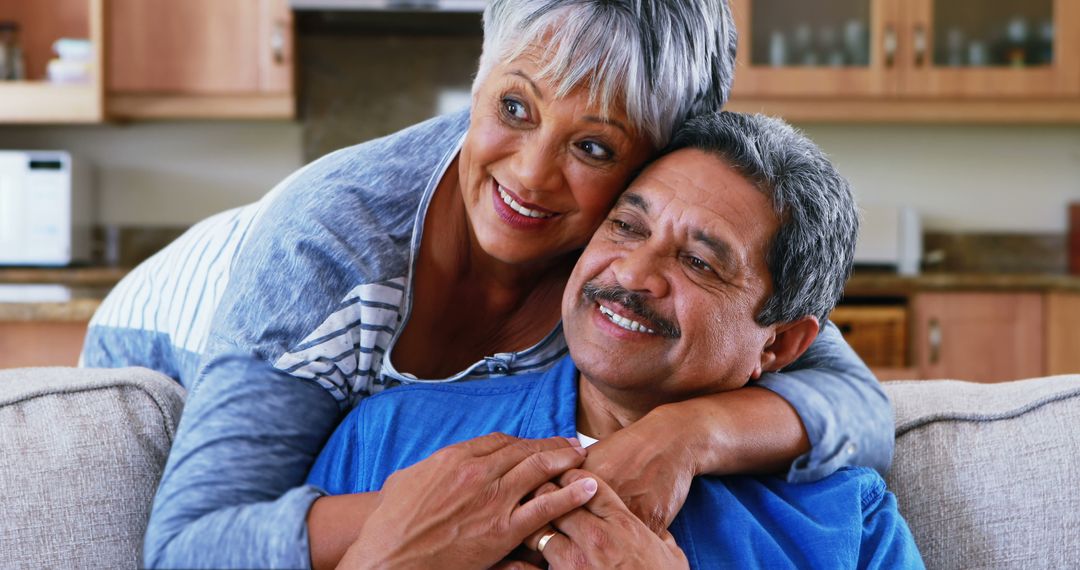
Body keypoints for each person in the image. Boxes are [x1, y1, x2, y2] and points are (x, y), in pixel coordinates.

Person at [81, 1, 892, 568]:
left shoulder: (646, 261)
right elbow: (192, 547)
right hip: (172, 338)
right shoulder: (328, 243)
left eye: (596, 148)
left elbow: (855, 403)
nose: (531, 177)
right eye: (514, 106)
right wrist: (491, 513)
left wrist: (682, 437)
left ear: (659, 158)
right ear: (480, 79)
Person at [307, 111, 923, 569]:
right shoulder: (385, 437)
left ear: (780, 344)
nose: (630, 274)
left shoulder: (843, 522)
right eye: (626, 226)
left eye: (700, 263)